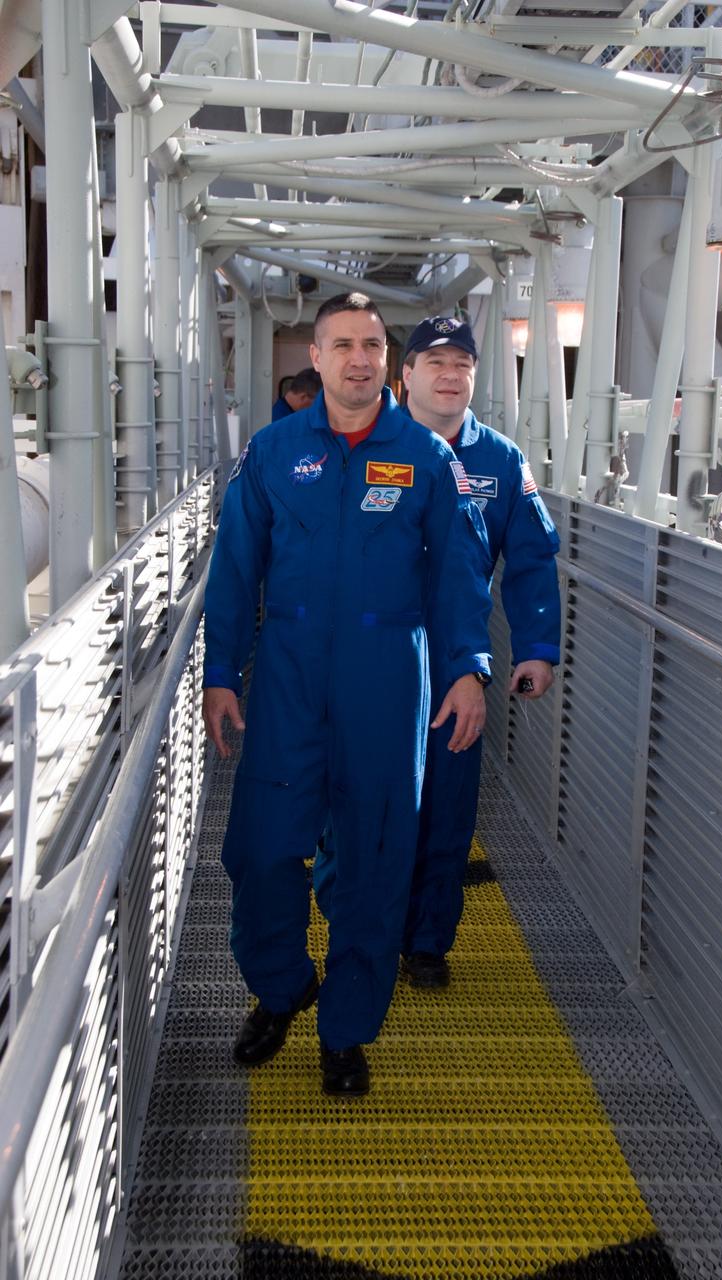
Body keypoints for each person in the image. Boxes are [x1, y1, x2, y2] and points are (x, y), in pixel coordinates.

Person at [202, 293, 493, 1098]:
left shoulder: (427, 460)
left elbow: (458, 576)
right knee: (261, 851)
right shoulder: (272, 452)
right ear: (319, 357)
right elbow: (234, 571)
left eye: (371, 344)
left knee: (372, 861)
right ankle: (282, 987)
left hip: (387, 683)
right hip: (290, 680)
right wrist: (221, 672)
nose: (358, 359)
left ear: (386, 361)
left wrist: (468, 667)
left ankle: (346, 1031)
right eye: (342, 345)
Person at [392, 315, 562, 988]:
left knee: (447, 801)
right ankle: (369, 926)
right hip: (371, 656)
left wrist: (537, 647)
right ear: (405, 374)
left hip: (457, 658)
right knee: (363, 801)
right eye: (435, 361)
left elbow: (529, 560)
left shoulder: (498, 460)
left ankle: (427, 942)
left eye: (462, 362)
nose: (450, 373)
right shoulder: (369, 446)